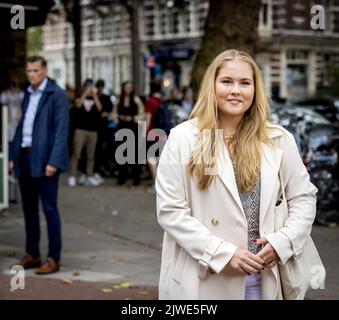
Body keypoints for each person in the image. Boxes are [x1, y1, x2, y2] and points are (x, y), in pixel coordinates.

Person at [155, 49, 318, 300]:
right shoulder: (184, 138)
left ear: (255, 89)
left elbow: (303, 197)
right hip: (205, 279)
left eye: (245, 83)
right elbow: (170, 211)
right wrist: (223, 253)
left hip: (266, 278)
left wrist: (282, 242)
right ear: (212, 86)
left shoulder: (279, 140)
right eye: (227, 81)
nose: (236, 90)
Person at [9, 56, 69, 274]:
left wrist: (54, 161)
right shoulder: (28, 93)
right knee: (29, 209)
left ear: (44, 71)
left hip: (45, 160)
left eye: (35, 70)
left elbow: (62, 131)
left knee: (50, 209)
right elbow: (21, 127)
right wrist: (12, 155)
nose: (32, 74)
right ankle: (33, 254)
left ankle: (54, 258)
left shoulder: (57, 95)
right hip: (25, 158)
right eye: (28, 71)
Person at [68, 79, 102, 187]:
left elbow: (99, 108)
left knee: (90, 155)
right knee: (76, 154)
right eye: (87, 86)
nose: (89, 88)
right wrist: (85, 93)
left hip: (93, 131)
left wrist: (94, 95)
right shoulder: (79, 97)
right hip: (80, 130)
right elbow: (78, 105)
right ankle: (72, 175)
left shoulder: (96, 98)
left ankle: (89, 176)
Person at [113, 81, 145, 186]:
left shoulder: (136, 100)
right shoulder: (119, 100)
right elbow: (114, 113)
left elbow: (142, 113)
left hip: (133, 128)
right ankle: (122, 177)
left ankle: (136, 178)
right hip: (121, 128)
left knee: (134, 154)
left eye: (130, 87)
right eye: (126, 87)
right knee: (121, 153)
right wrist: (119, 118)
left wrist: (132, 118)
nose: (128, 89)